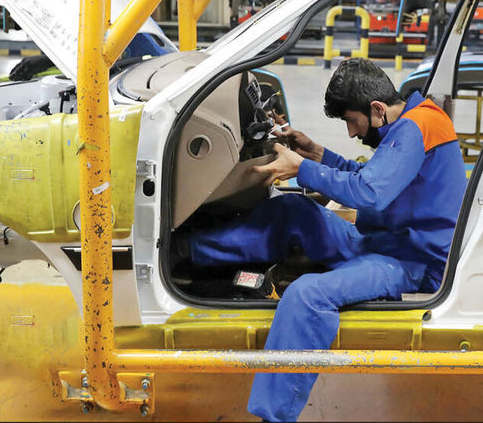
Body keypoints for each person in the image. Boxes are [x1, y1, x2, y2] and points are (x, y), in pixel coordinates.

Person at [182, 58, 467, 421]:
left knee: (307, 295)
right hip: (379, 242)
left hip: (409, 263)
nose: (351, 133)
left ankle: (274, 415)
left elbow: (369, 193)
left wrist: (302, 168)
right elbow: (368, 176)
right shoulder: (411, 122)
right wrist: (314, 153)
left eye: (352, 121)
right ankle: (186, 253)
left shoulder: (418, 126)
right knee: (294, 211)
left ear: (377, 109)